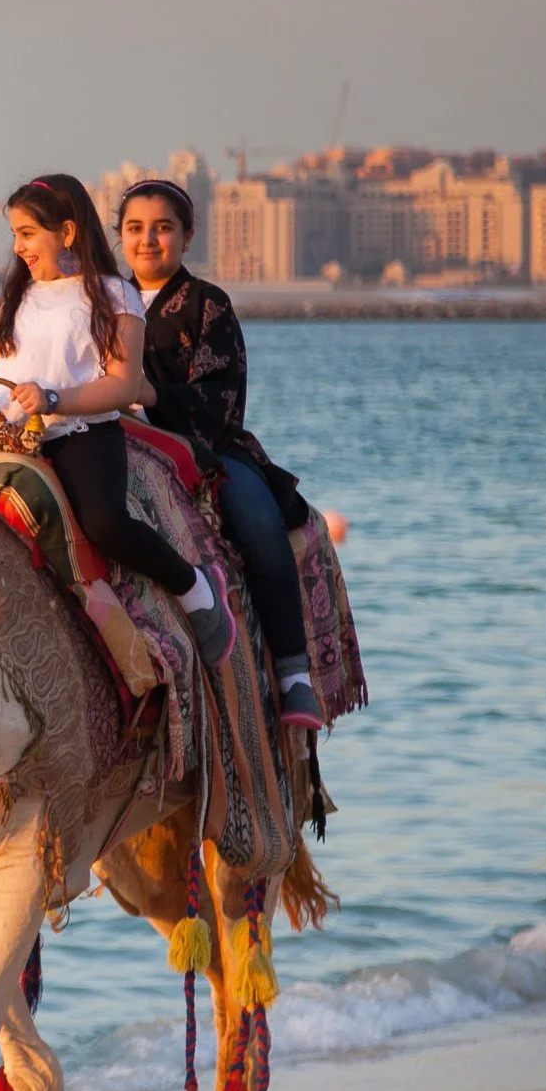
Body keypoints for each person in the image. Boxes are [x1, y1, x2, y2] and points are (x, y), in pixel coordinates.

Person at [0, 174, 237, 665]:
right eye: (15, 235)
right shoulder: (15, 299)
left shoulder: (115, 296)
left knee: (106, 523)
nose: (19, 247)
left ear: (68, 233)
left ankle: (196, 589)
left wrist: (54, 398)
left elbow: (121, 384)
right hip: (2, 437)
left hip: (80, 430)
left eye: (28, 233)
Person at [119, 179, 322, 728]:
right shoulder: (102, 300)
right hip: (112, 440)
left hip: (205, 445)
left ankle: (293, 672)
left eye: (163, 228)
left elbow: (220, 399)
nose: (148, 240)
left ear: (187, 236)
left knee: (256, 517)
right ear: (119, 237)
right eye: (135, 228)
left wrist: (150, 395)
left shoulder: (209, 305)